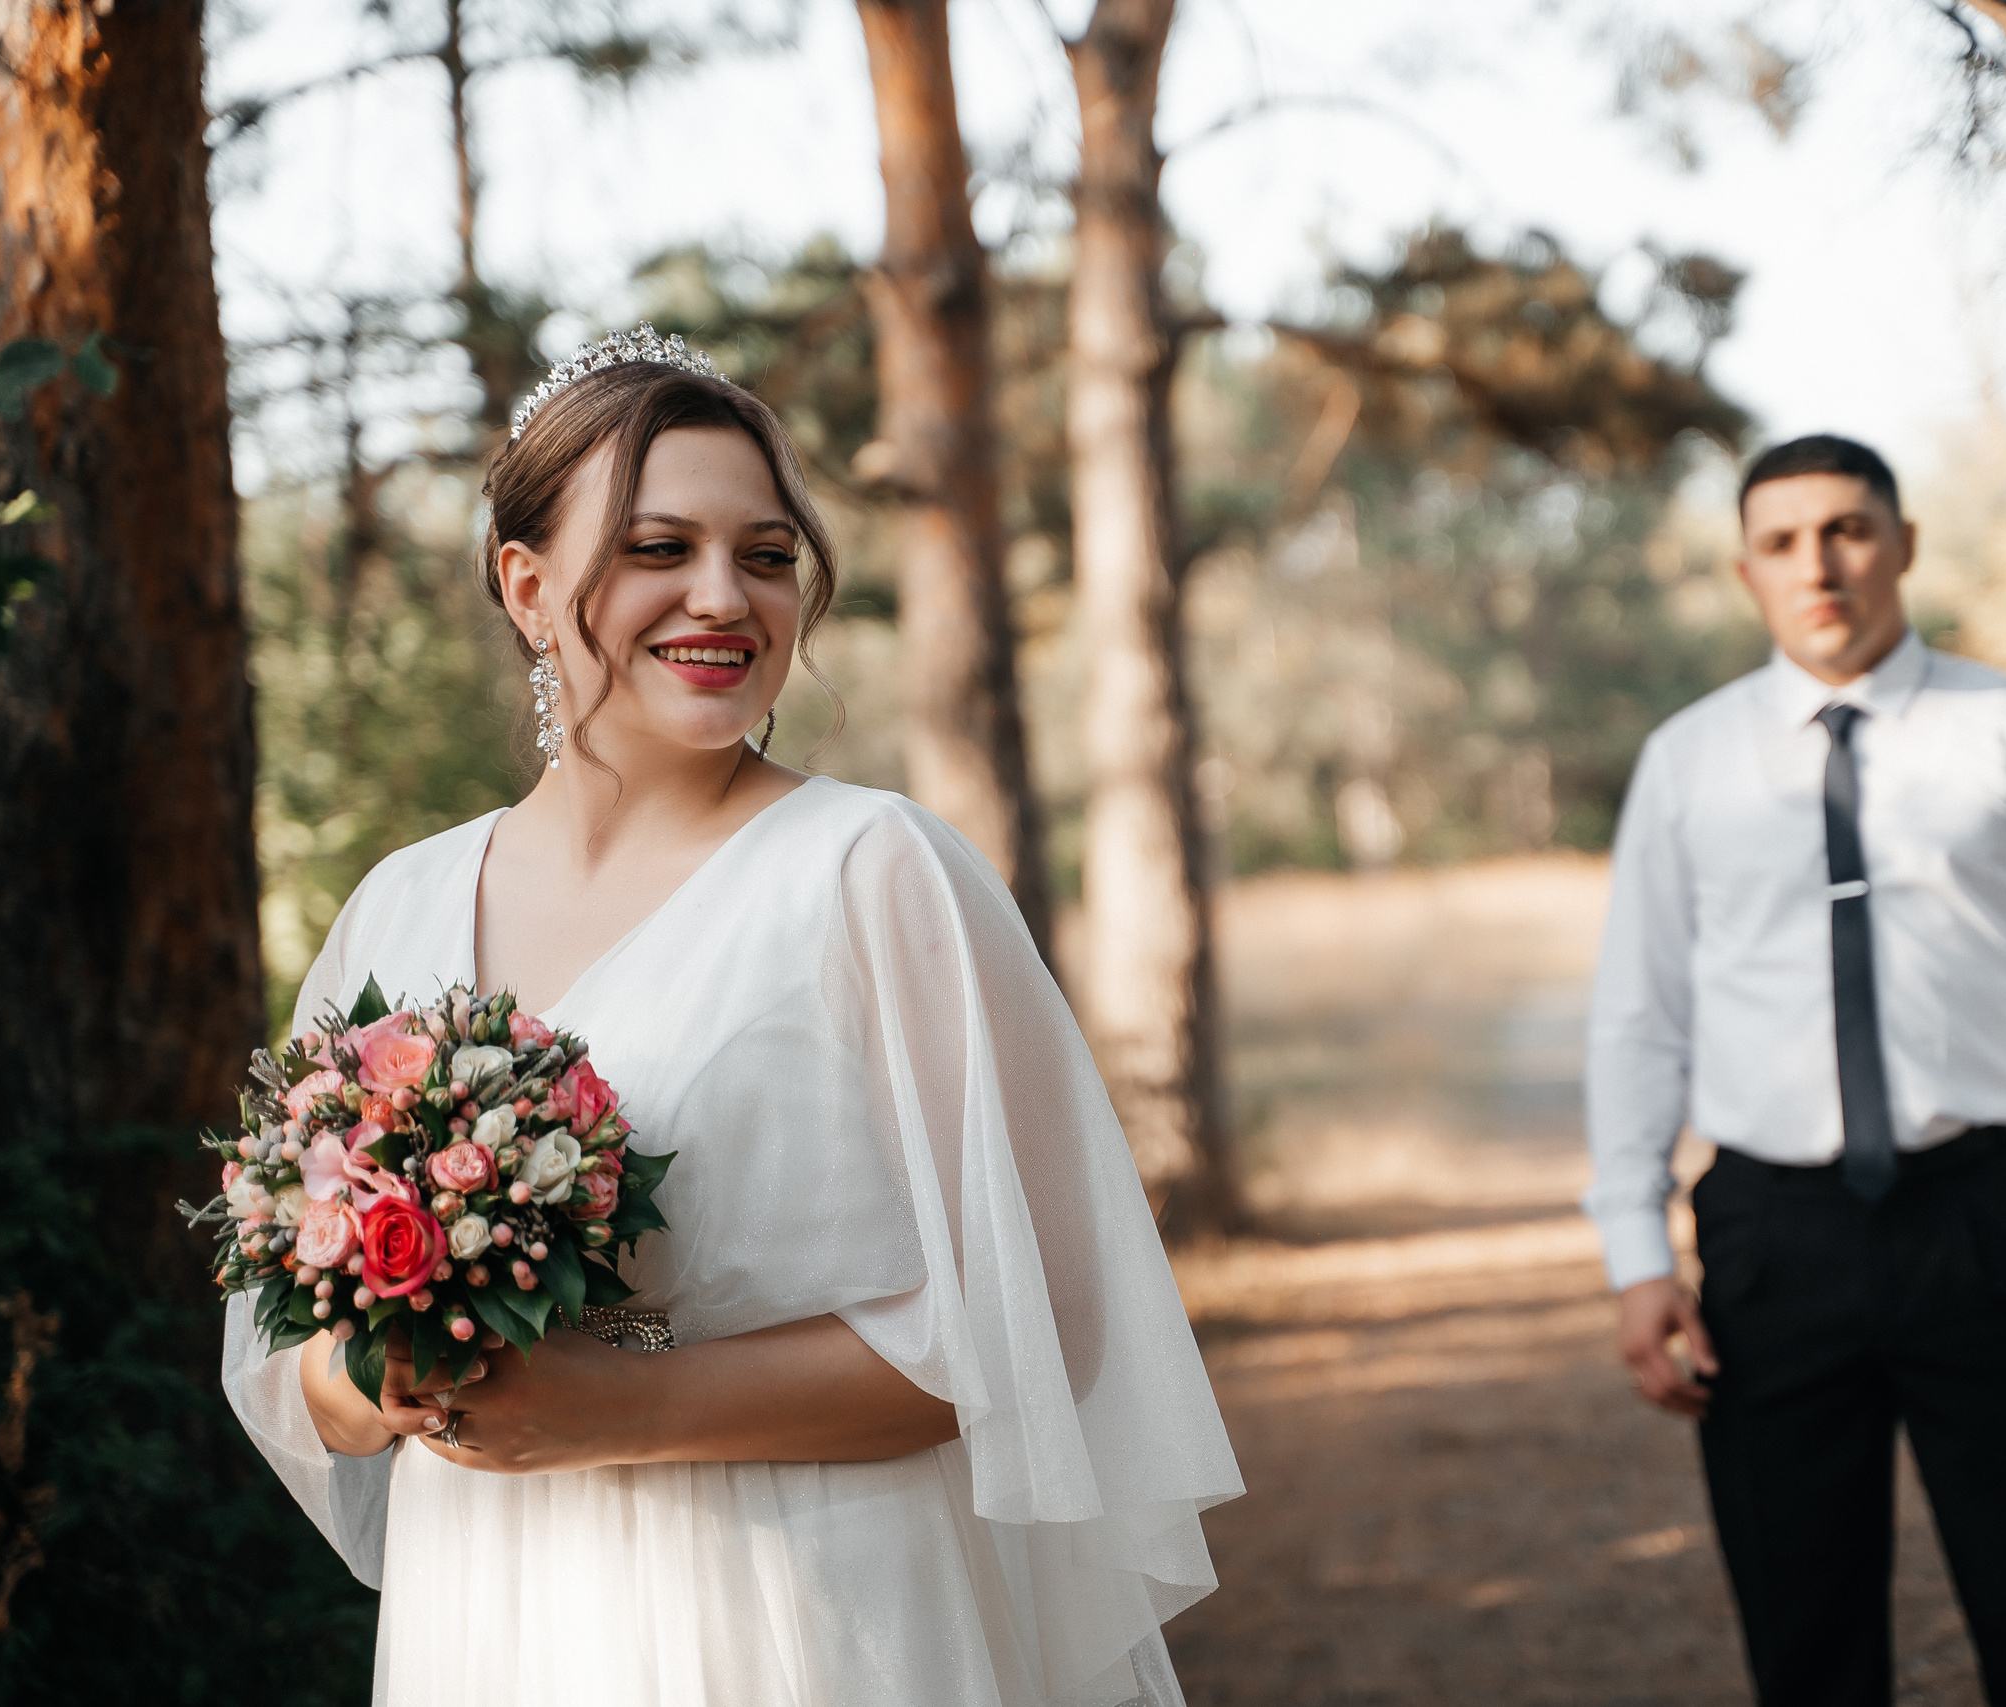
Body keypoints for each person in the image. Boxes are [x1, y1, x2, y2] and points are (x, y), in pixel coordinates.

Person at [222, 328, 1242, 1707]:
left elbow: (1046, 1319)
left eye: (766, 555)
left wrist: (628, 1406)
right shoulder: (399, 907)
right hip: (503, 1607)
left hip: (808, 1603)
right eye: (658, 548)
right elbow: (288, 1356)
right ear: (526, 586)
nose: (725, 596)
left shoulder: (877, 871)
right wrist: (385, 1375)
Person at [1584, 434, 2006, 1707]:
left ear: (1902, 544)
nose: (1822, 566)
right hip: (1769, 1240)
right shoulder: (1686, 761)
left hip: (1991, 1223)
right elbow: (1638, 1018)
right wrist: (1637, 1259)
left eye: (1849, 530)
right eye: (1784, 542)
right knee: (1805, 1647)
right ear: (1746, 570)